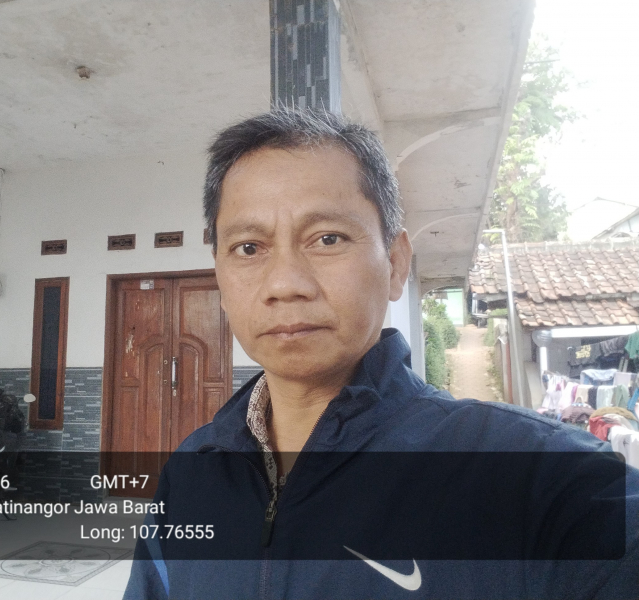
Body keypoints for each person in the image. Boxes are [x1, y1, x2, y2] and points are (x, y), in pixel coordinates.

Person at [124, 109, 639, 600]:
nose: (285, 284)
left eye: (327, 238)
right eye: (249, 248)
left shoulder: (537, 480)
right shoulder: (189, 472)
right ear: (219, 275)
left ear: (395, 263)